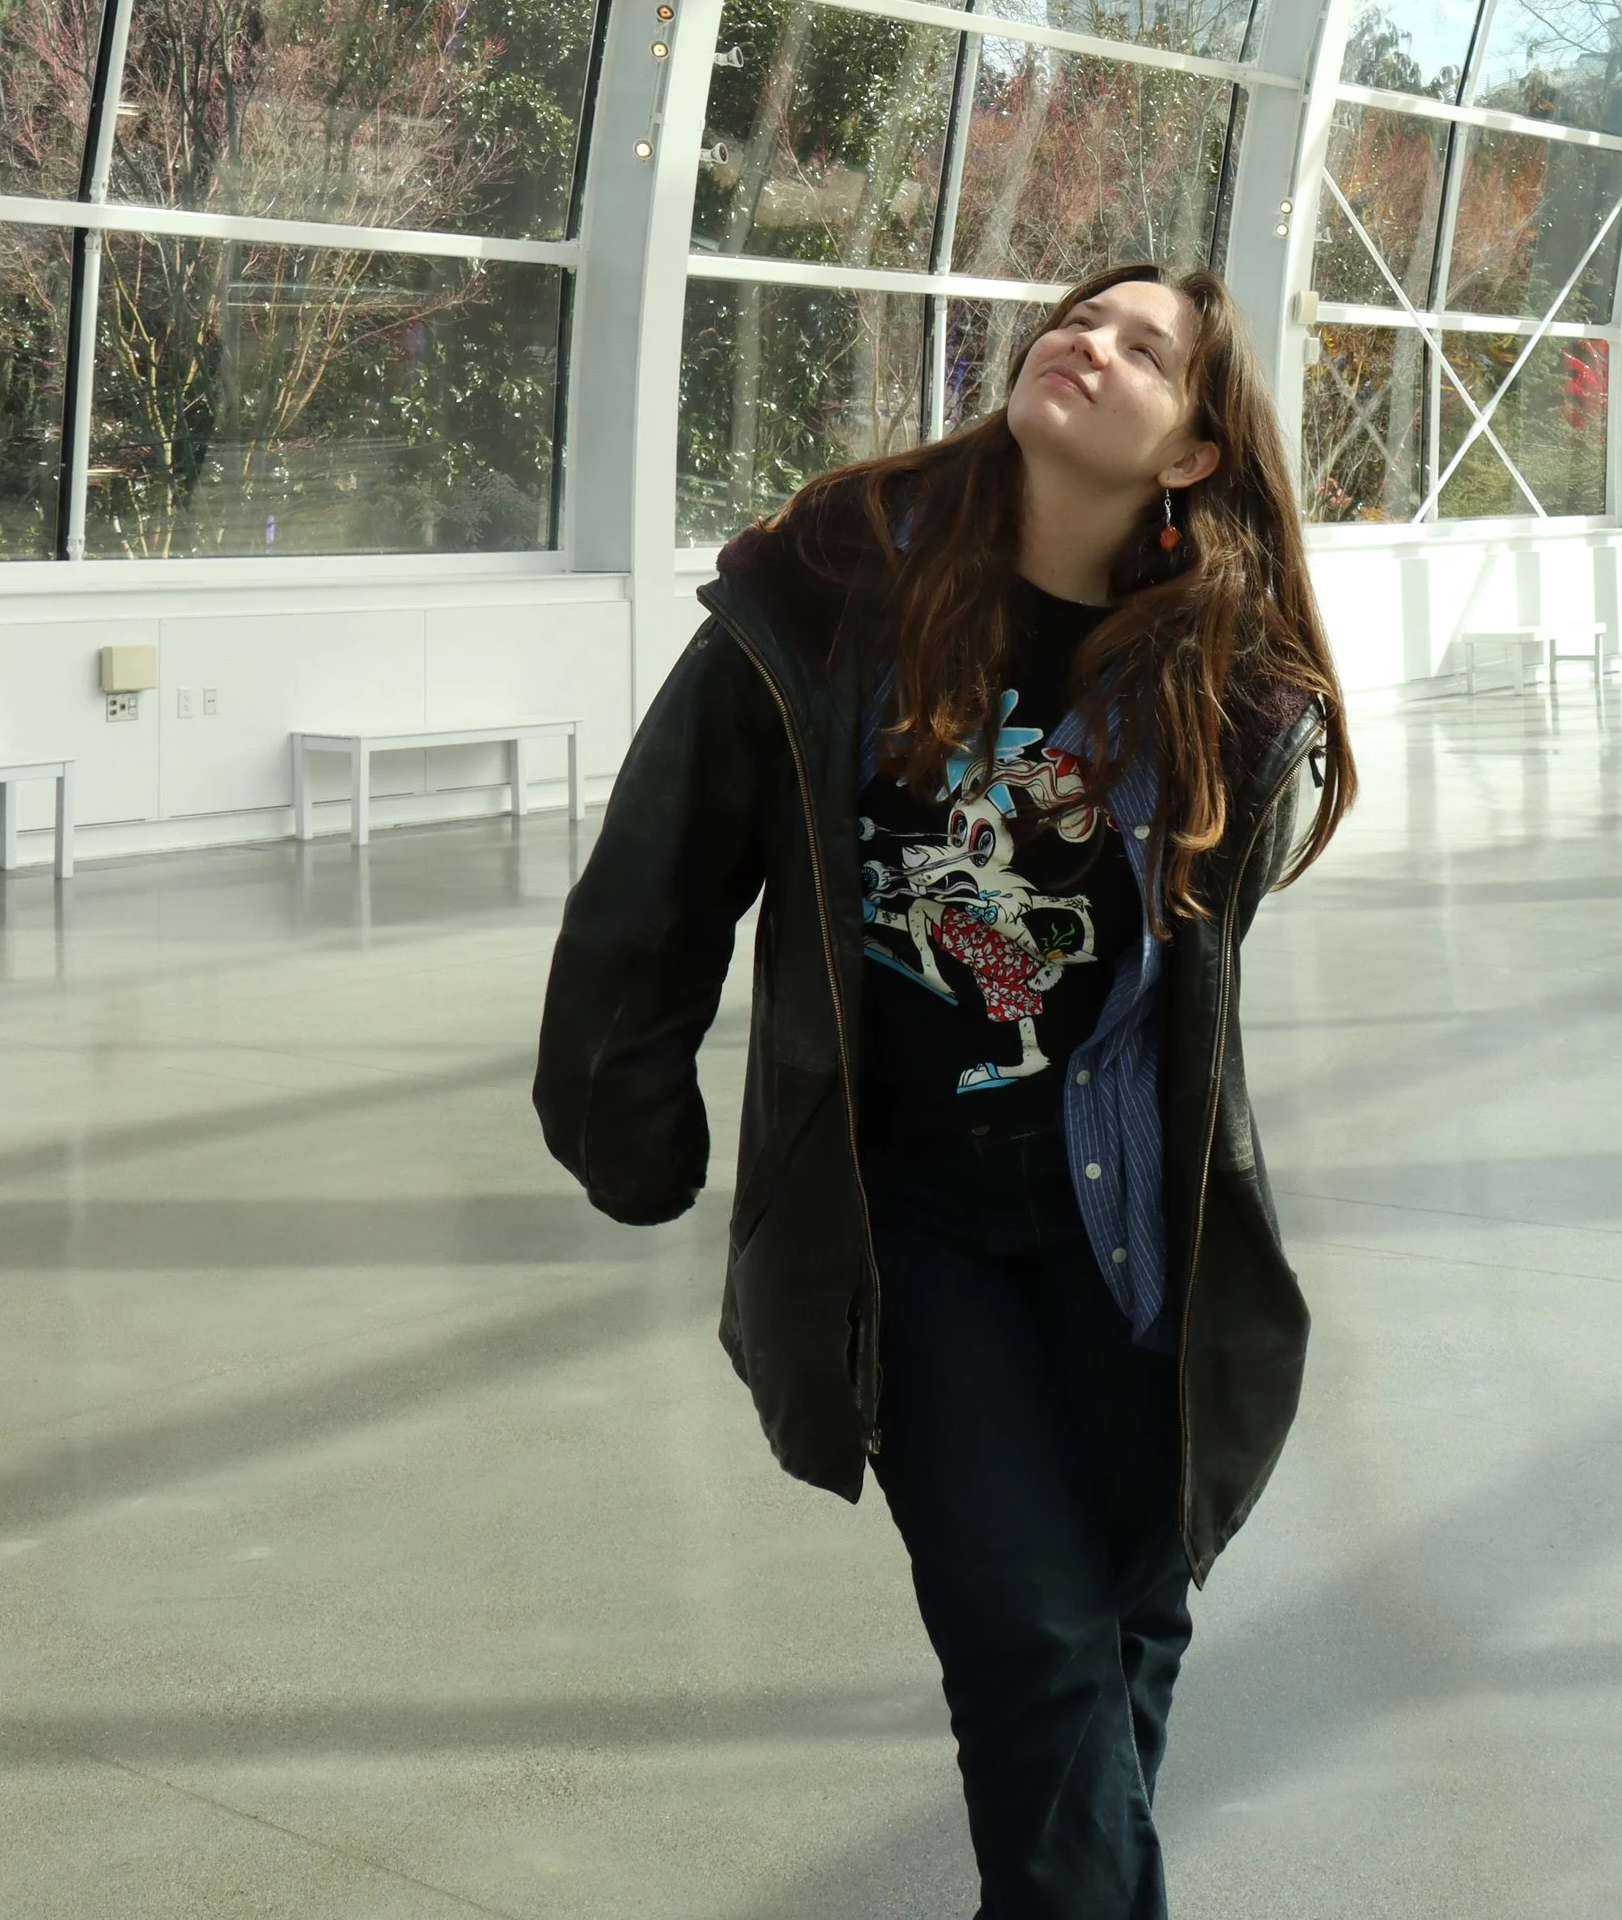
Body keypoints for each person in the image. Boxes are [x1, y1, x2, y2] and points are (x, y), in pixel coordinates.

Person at [535, 263, 1357, 1920]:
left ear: (1194, 451)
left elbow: (1178, 995)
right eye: (1080, 317)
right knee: (1035, 1643)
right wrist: (625, 1115)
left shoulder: (1221, 686)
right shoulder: (830, 592)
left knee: (1128, 1610)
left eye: (1145, 347)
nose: (1089, 342)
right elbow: (660, 869)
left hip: (1124, 1233)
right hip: (912, 1227)